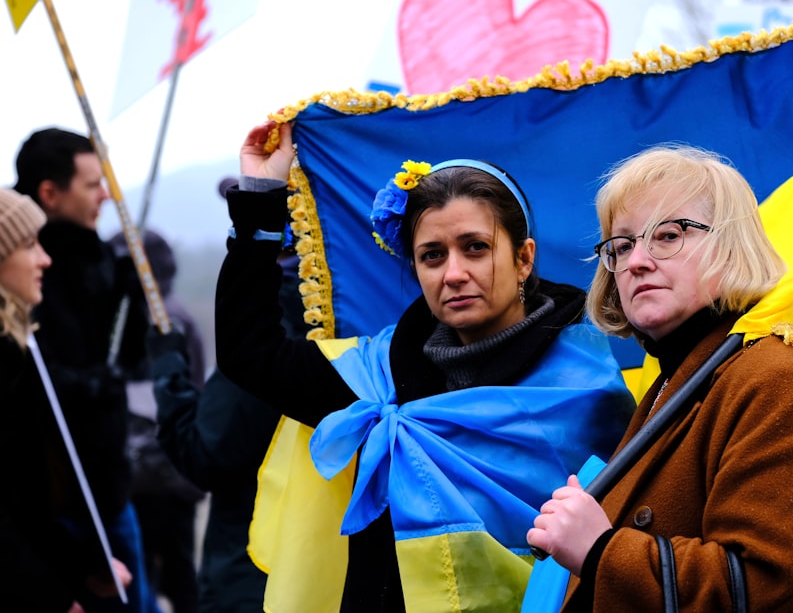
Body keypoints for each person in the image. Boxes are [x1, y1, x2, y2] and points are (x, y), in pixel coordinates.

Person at [213, 120, 637, 611]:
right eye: (432, 256)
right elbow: (249, 352)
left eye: (475, 247)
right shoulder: (374, 384)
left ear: (524, 259)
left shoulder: (585, 395)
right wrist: (260, 195)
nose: (453, 273)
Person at [528, 145, 793, 611]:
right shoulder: (683, 379)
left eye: (668, 235)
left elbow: (774, 589)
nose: (636, 262)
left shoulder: (783, 381)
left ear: (732, 245)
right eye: (623, 244)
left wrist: (601, 549)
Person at [14, 128, 159, 613]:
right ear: (50, 192)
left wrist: (134, 298)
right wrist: (93, 383)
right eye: (93, 184)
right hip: (51, 499)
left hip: (111, 485)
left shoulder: (105, 259)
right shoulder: (20, 271)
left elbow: (133, 361)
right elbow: (33, 380)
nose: (107, 195)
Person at [142, 177, 303, 613]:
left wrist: (168, 371)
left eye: (254, 224)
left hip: (257, 577)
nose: (240, 235)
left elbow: (206, 454)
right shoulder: (355, 313)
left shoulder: (280, 329)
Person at [0, 187, 134, 612]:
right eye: (28, 246)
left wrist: (81, 567)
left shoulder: (19, 348)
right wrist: (51, 595)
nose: (45, 259)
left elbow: (23, 496)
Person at [109, 230, 206, 613]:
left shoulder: (165, 320)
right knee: (162, 572)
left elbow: (175, 396)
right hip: (159, 471)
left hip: (160, 473)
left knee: (168, 574)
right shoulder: (148, 316)